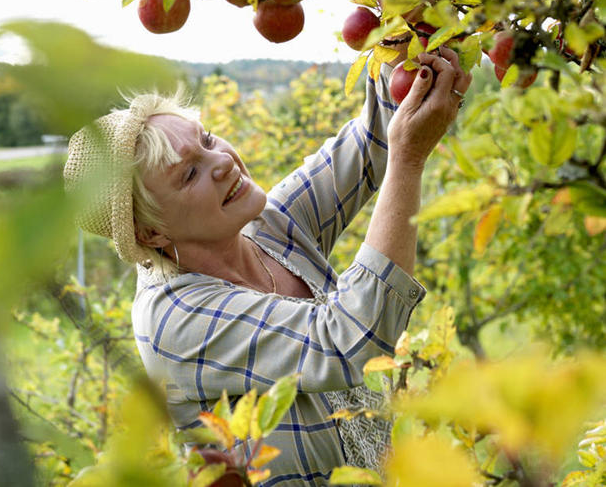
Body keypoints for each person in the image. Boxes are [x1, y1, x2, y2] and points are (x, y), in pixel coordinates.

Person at [63, 48, 472, 486]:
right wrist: (408, 160)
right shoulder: (173, 319)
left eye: (206, 140)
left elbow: (375, 142)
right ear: (152, 234)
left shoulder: (263, 227)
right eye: (189, 175)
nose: (221, 162)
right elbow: (351, 340)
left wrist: (405, 42)